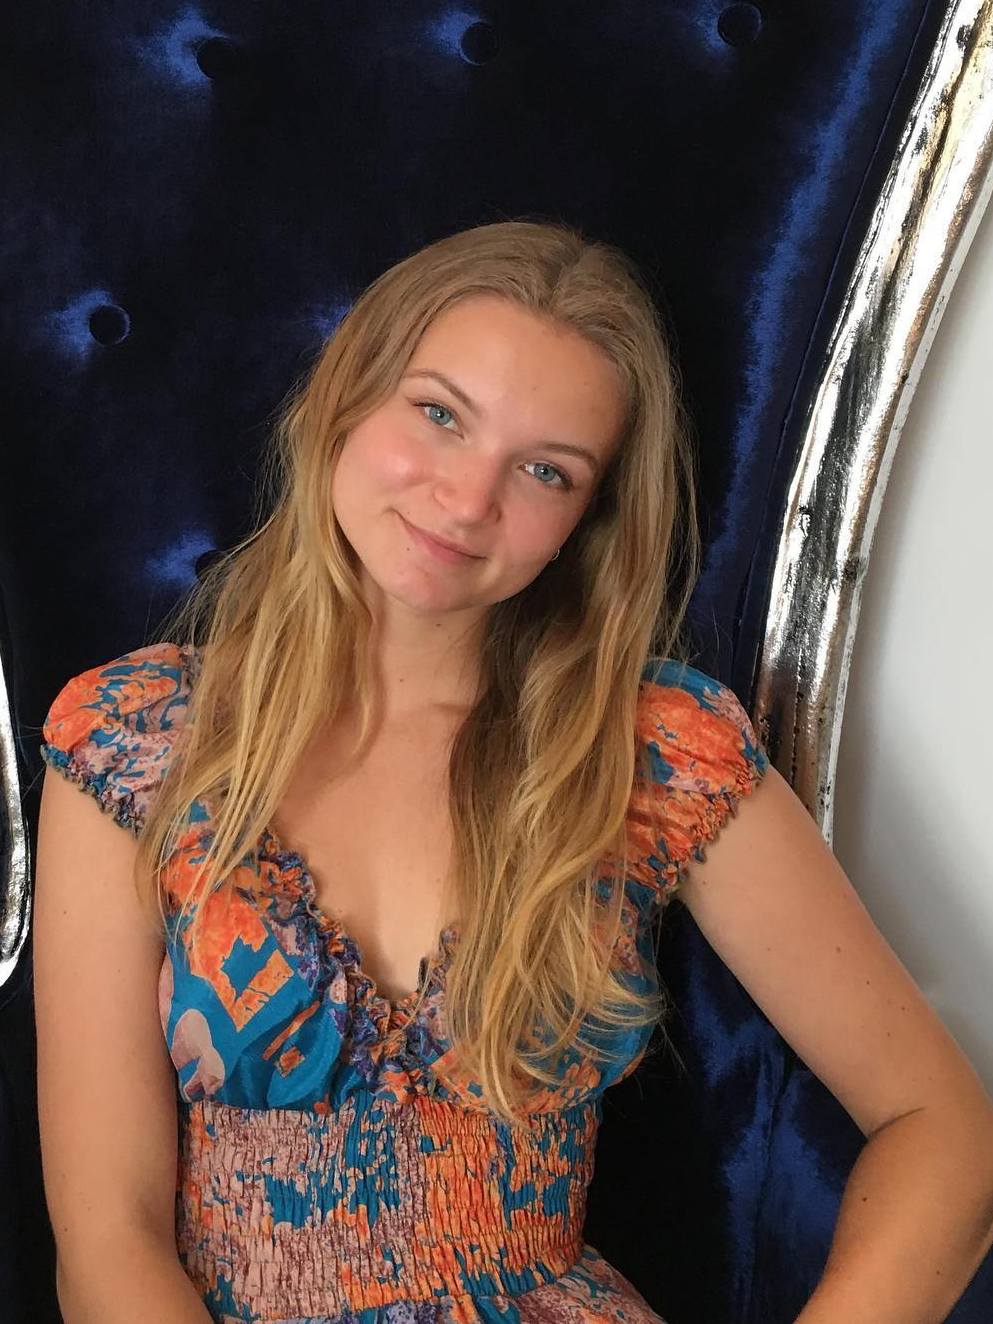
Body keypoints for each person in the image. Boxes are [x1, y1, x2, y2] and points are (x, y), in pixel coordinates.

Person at [32, 218, 993, 1324]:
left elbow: (942, 1128)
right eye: (439, 414)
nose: (466, 498)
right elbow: (107, 1237)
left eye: (544, 470)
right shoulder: (136, 741)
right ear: (346, 399)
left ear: (586, 519)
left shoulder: (650, 749)